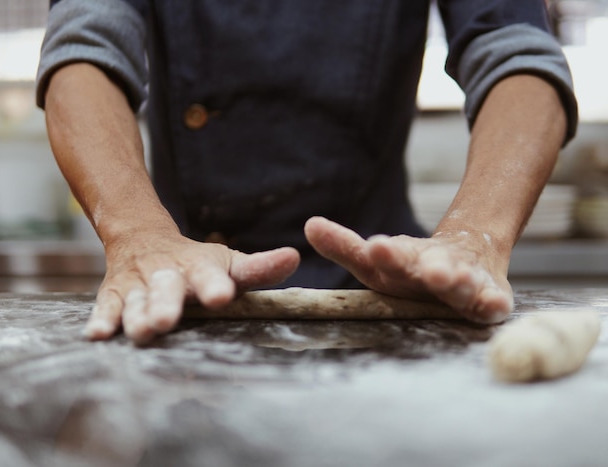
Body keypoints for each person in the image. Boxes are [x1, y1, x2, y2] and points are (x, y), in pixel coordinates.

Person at [36, 0, 577, 344]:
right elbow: (85, 47)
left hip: (385, 303)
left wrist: (476, 235)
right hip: (183, 297)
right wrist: (137, 233)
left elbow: (516, 54)